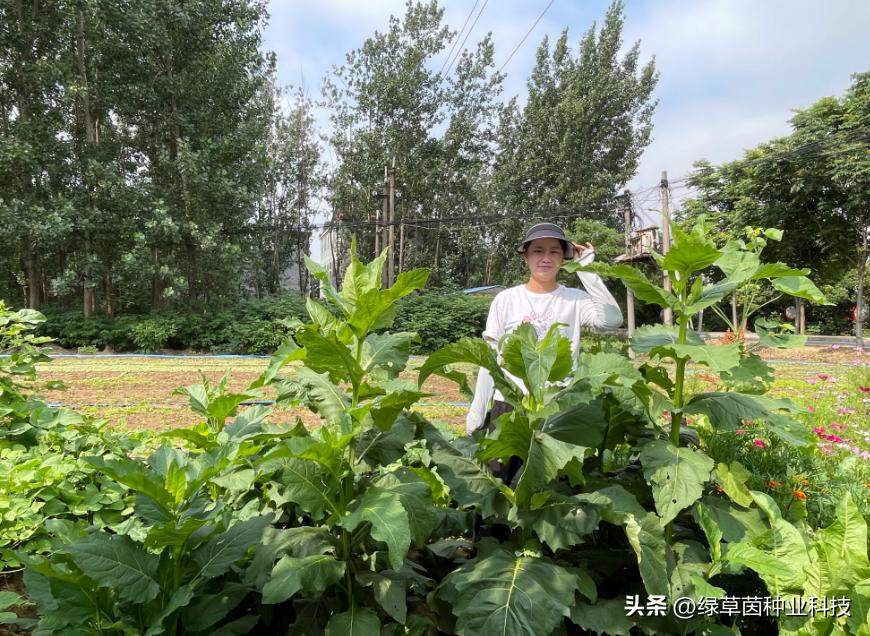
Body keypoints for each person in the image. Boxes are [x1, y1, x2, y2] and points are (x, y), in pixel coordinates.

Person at [466, 222, 623, 434]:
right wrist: (476, 411)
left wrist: (586, 270)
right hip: (510, 404)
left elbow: (612, 320)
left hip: (558, 406)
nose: (546, 258)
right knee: (502, 467)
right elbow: (490, 359)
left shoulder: (574, 299)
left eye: (554, 252)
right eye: (538, 251)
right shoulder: (506, 299)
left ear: (563, 258)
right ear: (526, 257)